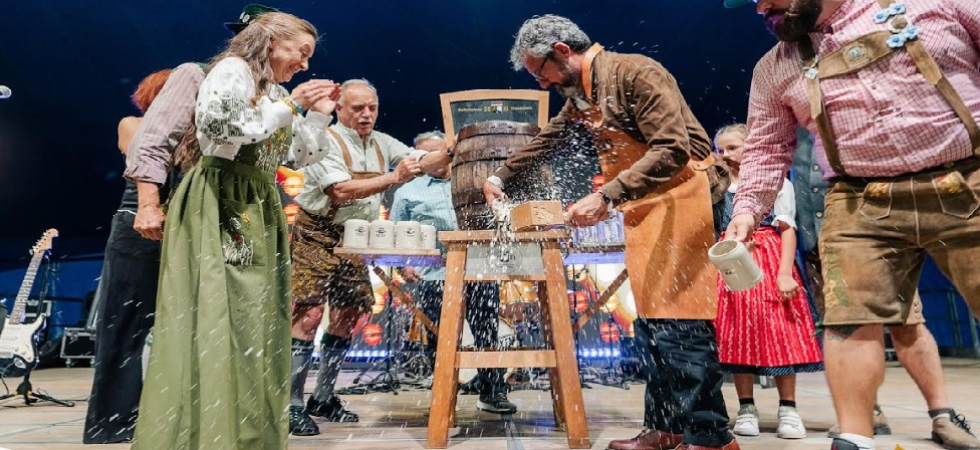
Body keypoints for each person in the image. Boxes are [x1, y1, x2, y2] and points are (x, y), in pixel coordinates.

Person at [720, 0, 980, 449]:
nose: (761, 7)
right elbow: (765, 148)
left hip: (969, 179)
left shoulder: (938, 3)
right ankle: (856, 438)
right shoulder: (774, 68)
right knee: (849, 318)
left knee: (912, 323)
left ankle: (940, 413)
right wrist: (746, 212)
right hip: (860, 200)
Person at [483, 15, 738, 450]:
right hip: (649, 204)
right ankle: (667, 428)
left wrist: (606, 196)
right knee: (653, 327)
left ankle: (711, 437)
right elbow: (552, 137)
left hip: (686, 197)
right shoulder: (581, 93)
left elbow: (672, 148)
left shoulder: (636, 72)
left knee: (682, 324)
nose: (542, 83)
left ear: (562, 51)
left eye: (540, 72)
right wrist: (499, 177)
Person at [132, 11, 342, 450]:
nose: (305, 64)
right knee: (221, 309)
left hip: (256, 202)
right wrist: (291, 105)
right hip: (226, 198)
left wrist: (317, 116)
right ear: (270, 41)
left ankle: (245, 430)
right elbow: (222, 126)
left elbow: (296, 157)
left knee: (253, 316)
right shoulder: (231, 72)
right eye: (301, 52)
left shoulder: (274, 92)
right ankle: (207, 430)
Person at [287, 79, 453, 435]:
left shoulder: (381, 142)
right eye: (357, 108)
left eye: (372, 108)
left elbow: (421, 160)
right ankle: (292, 403)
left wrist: (455, 150)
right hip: (318, 233)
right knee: (309, 314)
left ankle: (323, 397)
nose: (366, 114)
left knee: (348, 313)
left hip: (356, 236)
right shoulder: (324, 140)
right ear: (340, 108)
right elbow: (340, 190)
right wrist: (394, 176)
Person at [793, 130, 978, 446]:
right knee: (845, 327)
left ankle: (943, 415)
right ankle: (867, 417)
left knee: (908, 324)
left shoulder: (853, 118)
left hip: (878, 227)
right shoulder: (793, 124)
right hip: (819, 241)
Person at [390, 130, 518, 414]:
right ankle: (444, 397)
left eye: (441, 151)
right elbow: (395, 235)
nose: (437, 158)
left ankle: (492, 392)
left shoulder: (471, 182)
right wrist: (403, 264)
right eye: (426, 155)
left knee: (487, 333)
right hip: (434, 277)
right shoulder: (407, 192)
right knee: (441, 339)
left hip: (478, 270)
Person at [712, 124, 823, 440]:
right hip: (732, 259)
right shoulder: (718, 187)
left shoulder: (775, 181)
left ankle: (788, 408)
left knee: (779, 330)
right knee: (738, 332)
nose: (725, 155)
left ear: (750, 146)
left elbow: (787, 229)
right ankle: (746, 407)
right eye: (720, 150)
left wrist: (784, 273)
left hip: (769, 257)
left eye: (732, 147)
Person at [82, 69, 171, 445]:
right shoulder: (132, 124)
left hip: (180, 228)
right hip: (136, 230)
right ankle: (112, 421)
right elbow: (147, 156)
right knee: (125, 324)